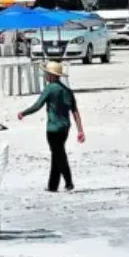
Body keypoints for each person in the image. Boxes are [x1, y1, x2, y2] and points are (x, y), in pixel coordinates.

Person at [17, 61, 85, 192]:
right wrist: (80, 130)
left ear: (52, 75)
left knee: (59, 156)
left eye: (47, 73)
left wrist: (23, 113)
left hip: (53, 129)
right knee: (56, 155)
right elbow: (75, 111)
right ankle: (53, 186)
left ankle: (69, 182)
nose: (45, 75)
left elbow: (37, 105)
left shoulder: (50, 89)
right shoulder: (67, 91)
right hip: (65, 128)